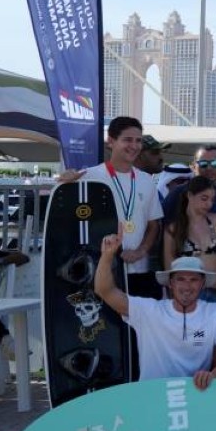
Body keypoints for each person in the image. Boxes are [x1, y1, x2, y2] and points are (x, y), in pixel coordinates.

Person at [95, 237, 216, 387]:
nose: (187, 286)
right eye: (180, 279)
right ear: (171, 283)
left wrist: (214, 375)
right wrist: (107, 256)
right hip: (154, 392)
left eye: (193, 279)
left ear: (202, 284)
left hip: (195, 391)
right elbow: (105, 291)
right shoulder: (149, 310)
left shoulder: (212, 311)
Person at [74, 117, 164, 299]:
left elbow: (154, 225)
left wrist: (141, 251)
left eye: (138, 141)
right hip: (103, 270)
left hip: (139, 270)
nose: (134, 146)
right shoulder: (88, 177)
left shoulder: (146, 180)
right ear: (111, 141)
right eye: (127, 140)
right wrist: (65, 181)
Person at [162, 176, 216, 315]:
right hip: (190, 295)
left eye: (212, 199)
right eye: (204, 198)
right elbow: (169, 269)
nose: (209, 204)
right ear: (189, 196)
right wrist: (209, 282)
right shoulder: (173, 229)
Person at [162, 145, 216, 223]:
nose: (209, 168)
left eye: (214, 163)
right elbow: (163, 225)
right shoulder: (178, 193)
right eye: (203, 163)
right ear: (193, 167)